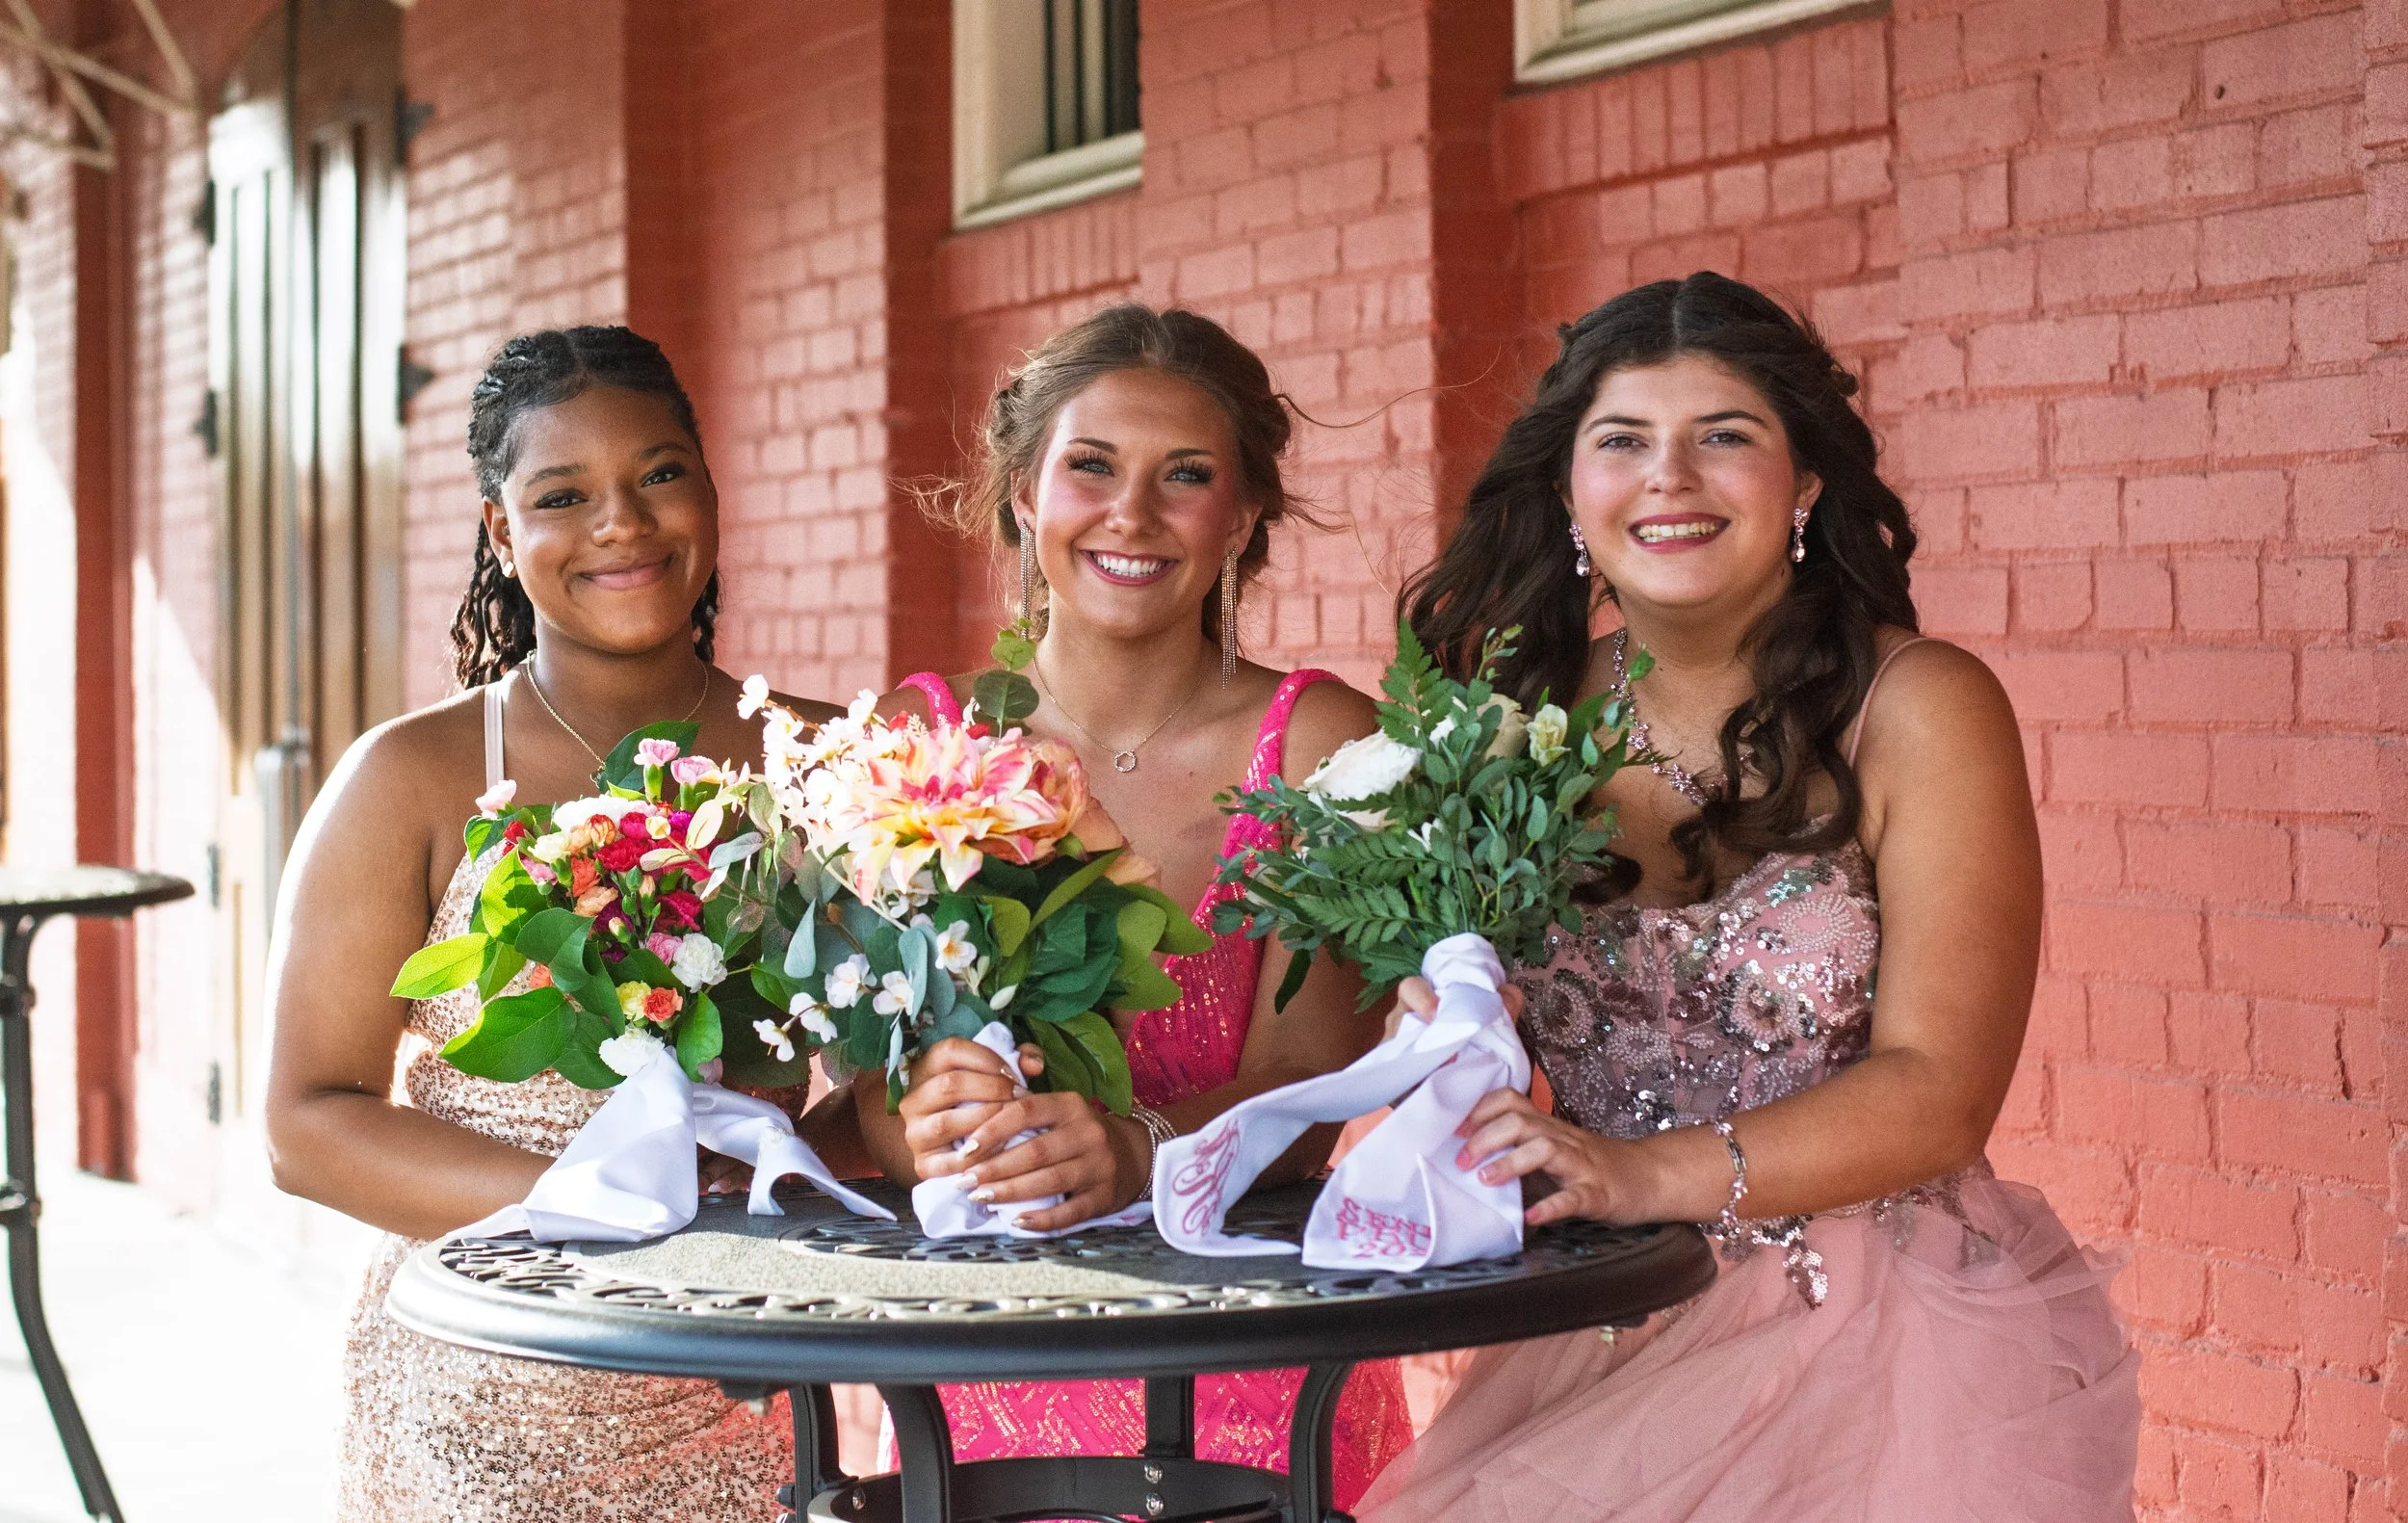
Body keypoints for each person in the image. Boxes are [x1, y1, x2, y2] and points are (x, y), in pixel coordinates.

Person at [1358, 273, 2141, 1520]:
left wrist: (1638, 1172)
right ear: (1572, 490)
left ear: (1805, 484)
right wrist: (1443, 1029)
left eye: (1724, 436)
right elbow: (1452, 1020)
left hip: (1883, 1342)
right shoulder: (1512, 726)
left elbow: (1942, 1090)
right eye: (1623, 442)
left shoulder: (1920, 709)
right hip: (1597, 1326)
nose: (1669, 478)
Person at [263, 326, 840, 1520]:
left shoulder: (828, 762)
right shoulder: (407, 779)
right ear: (499, 530)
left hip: (740, 1381)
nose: (622, 522)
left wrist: (799, 1177)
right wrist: (604, 1207)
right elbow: (305, 1124)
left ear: (710, 489)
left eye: (660, 474)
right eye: (563, 494)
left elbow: (897, 1072)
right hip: (479, 1393)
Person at [852, 303, 1413, 1506]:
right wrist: (931, 1122)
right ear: (1021, 492)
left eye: (1187, 477)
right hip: (979, 1367)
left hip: (1248, 1370)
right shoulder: (914, 740)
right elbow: (862, 1095)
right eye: (1090, 467)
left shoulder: (1326, 746)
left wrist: (1135, 1150)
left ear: (1244, 516)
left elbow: (1316, 1088)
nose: (1132, 515)